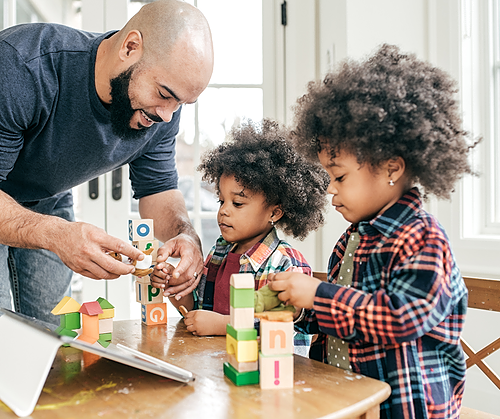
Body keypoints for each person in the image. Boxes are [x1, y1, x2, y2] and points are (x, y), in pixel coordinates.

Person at [268, 45, 476, 418]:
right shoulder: (351, 240)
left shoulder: (422, 238)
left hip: (406, 408)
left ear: (391, 168)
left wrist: (318, 294)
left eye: (340, 176)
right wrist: (298, 306)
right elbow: (340, 318)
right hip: (347, 400)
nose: (330, 189)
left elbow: (400, 318)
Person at [0, 0, 213, 324]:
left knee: (51, 331)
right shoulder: (22, 65)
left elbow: (158, 191)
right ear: (130, 47)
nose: (167, 115)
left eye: (182, 103)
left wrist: (184, 234)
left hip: (47, 198)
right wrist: (57, 234)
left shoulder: (162, 113)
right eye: (164, 93)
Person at [151, 119, 329, 354]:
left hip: (268, 373)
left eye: (237, 203)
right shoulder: (219, 254)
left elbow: (281, 325)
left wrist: (221, 325)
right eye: (221, 200)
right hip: (219, 365)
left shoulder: (286, 263)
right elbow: (199, 309)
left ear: (274, 212)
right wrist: (176, 287)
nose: (224, 210)